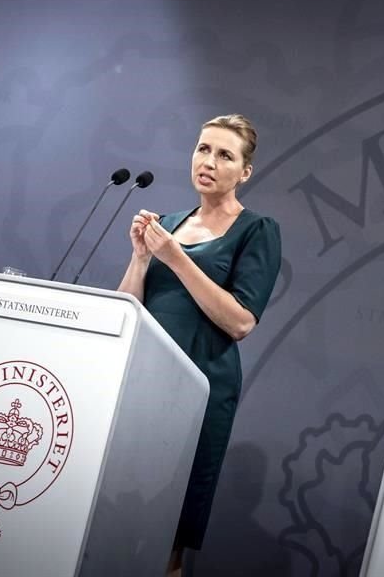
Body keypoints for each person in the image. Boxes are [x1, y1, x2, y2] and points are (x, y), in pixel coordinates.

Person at [118, 114, 282, 575]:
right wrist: (141, 257)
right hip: (141, 389)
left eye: (224, 155)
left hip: (198, 393)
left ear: (244, 172)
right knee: (118, 517)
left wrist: (175, 257)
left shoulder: (256, 230)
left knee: (167, 534)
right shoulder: (167, 224)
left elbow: (241, 321)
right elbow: (128, 312)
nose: (208, 161)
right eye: (202, 148)